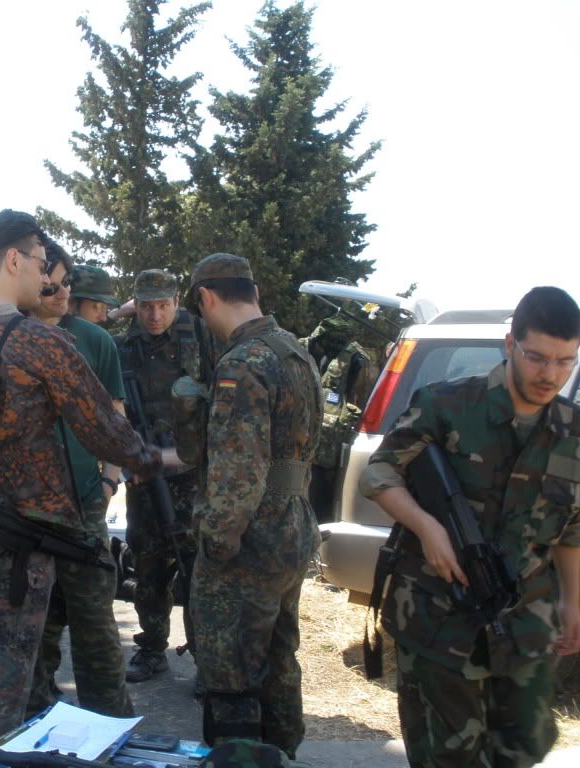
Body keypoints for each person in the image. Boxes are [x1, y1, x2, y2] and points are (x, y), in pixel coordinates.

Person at [0, 209, 161, 743]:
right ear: (13, 260)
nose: (47, 278)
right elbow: (105, 430)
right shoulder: (39, 343)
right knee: (6, 680)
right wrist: (156, 459)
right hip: (18, 545)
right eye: (43, 264)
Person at [359, 285, 580, 768]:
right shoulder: (447, 404)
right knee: (448, 758)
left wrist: (573, 602)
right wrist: (427, 528)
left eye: (566, 362)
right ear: (510, 343)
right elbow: (379, 474)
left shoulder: (574, 432)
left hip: (525, 626)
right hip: (439, 622)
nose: (550, 375)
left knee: (522, 750)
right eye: (538, 358)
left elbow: (571, 530)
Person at [180, 253, 322, 758]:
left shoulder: (243, 363)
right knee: (279, 660)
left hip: (249, 541)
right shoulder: (294, 352)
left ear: (206, 298)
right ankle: (283, 754)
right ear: (254, 292)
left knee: (231, 674)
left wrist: (216, 543)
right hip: (292, 526)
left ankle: (240, 758)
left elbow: (238, 473)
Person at [25, 242, 133, 717]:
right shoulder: (10, 336)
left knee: (93, 617)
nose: (65, 292)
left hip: (84, 500)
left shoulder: (94, 340)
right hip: (23, 506)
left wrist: (109, 481)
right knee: (35, 618)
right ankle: (35, 714)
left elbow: (116, 418)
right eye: (55, 284)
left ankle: (108, 720)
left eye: (69, 282)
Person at [115, 268, 214, 684]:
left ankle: (206, 659)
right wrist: (129, 463)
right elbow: (112, 414)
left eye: (162, 306)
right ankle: (152, 647)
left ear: (176, 302)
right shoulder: (122, 347)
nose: (154, 316)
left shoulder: (202, 337)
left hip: (193, 475)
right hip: (145, 475)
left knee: (198, 568)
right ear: (134, 305)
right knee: (148, 563)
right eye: (145, 307)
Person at [301, 312, 380, 521]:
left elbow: (361, 405)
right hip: (300, 442)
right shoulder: (301, 349)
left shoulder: (357, 361)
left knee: (321, 503)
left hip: (331, 450)